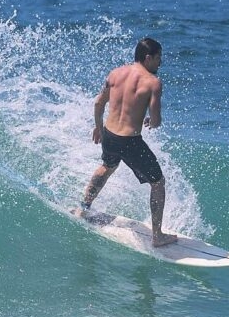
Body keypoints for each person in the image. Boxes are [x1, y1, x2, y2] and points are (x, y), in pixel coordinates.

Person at [76, 37, 178, 247]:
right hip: (130, 141)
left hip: (110, 134)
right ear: (148, 58)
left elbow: (98, 102)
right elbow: (156, 121)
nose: (160, 63)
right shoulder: (153, 83)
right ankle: (157, 236)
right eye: (158, 58)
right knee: (158, 183)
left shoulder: (115, 73)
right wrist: (151, 121)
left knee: (107, 166)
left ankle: (83, 207)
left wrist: (97, 127)